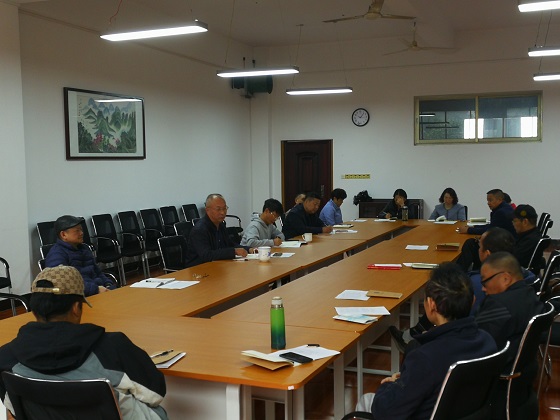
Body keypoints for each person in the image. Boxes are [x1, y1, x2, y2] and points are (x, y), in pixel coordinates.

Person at [0, 266, 168, 420]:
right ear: (76, 308)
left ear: (34, 309)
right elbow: (155, 394)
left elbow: (13, 409)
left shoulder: (6, 357)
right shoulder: (112, 346)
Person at [356, 263, 496, 419]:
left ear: (431, 305)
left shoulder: (426, 357)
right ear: (473, 301)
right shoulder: (488, 341)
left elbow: (386, 412)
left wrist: (389, 385)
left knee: (366, 400)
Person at [390, 228, 536, 352]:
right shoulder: (525, 280)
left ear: (487, 253)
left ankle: (413, 335)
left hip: (474, 353)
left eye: (479, 246)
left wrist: (434, 334)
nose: (484, 288)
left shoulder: (480, 287)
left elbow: (460, 320)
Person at [475, 252, 545, 418]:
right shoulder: (530, 295)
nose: (483, 288)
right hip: (521, 382)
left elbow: (477, 346)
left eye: (485, 281)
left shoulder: (499, 305)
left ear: (505, 278)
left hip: (493, 384)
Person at [46, 215, 115, 296]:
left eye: (81, 230)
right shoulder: (56, 254)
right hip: (80, 296)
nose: (81, 233)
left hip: (99, 290)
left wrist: (108, 284)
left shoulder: (84, 248)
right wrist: (96, 289)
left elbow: (97, 272)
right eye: (77, 231)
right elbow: (63, 283)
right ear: (64, 235)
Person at [456, 189, 516, 271]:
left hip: (503, 246)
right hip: (505, 242)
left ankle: (459, 271)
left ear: (499, 200)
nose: (488, 203)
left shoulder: (501, 212)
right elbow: (492, 225)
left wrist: (469, 230)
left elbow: (490, 229)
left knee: (471, 244)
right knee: (473, 243)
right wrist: (474, 227)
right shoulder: (504, 208)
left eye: (490, 200)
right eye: (488, 200)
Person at [185, 194, 250, 267]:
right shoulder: (199, 230)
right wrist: (233, 251)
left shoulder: (221, 225)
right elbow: (207, 255)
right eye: (218, 209)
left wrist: (249, 249)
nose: (222, 212)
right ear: (207, 210)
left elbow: (230, 244)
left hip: (217, 265)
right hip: (198, 269)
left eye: (224, 208)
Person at [511, 204, 543, 270]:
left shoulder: (530, 241)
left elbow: (513, 261)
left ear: (525, 222)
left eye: (514, 221)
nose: (513, 223)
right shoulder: (531, 235)